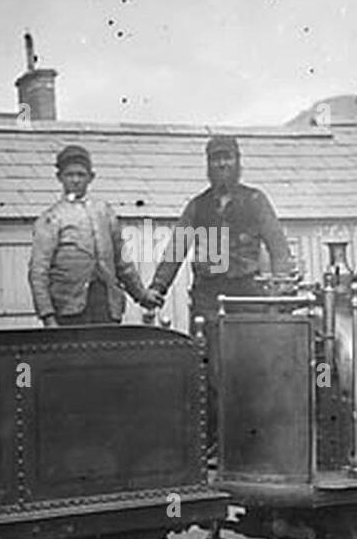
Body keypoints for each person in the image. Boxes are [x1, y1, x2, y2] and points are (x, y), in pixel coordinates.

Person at [149, 135, 294, 446]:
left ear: (238, 162)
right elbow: (176, 251)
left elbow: (279, 249)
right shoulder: (198, 207)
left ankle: (252, 441)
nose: (222, 164)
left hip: (247, 297)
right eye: (216, 159)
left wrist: (281, 287)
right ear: (209, 165)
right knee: (208, 372)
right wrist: (156, 289)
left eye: (228, 158)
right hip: (208, 298)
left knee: (251, 369)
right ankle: (213, 443)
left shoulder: (255, 201)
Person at [29, 145, 162, 326]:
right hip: (68, 311)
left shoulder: (104, 213)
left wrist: (142, 295)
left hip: (106, 308)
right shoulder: (51, 219)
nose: (75, 180)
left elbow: (123, 264)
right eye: (69, 175)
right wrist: (47, 316)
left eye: (81, 175)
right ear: (59, 178)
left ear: (91, 178)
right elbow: (38, 272)